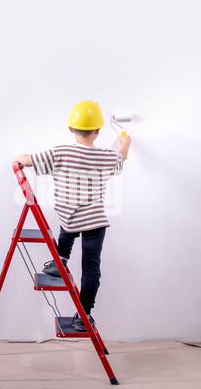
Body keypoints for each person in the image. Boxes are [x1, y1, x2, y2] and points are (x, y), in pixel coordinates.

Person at [14, 101, 131, 331]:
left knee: (67, 229)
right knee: (91, 269)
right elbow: (121, 160)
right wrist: (126, 141)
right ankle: (84, 315)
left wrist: (17, 159)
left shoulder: (60, 153)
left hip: (68, 217)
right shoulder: (106, 157)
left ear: (70, 129)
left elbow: (28, 160)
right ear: (97, 132)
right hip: (95, 223)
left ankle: (61, 260)